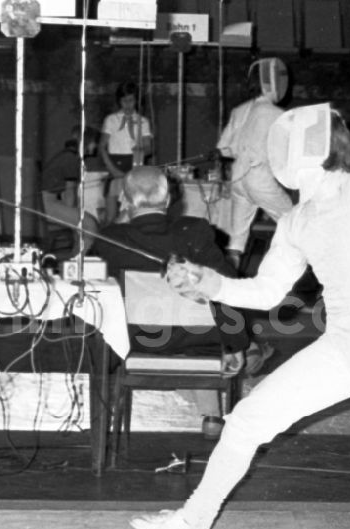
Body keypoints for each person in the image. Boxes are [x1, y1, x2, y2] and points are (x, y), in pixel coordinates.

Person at [130, 103, 350, 529]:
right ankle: (193, 521)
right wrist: (209, 283)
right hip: (342, 347)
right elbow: (265, 292)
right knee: (247, 419)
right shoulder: (296, 220)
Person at [84, 166, 271, 438]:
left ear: (125, 198)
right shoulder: (195, 232)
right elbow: (225, 290)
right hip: (197, 342)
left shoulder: (110, 240)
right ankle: (213, 415)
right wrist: (236, 346)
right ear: (169, 199)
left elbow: (91, 294)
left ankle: (103, 423)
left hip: (135, 343)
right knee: (213, 329)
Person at [214, 58, 294, 268]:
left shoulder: (239, 110)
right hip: (260, 179)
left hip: (237, 181)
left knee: (237, 237)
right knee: (295, 221)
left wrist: (224, 180)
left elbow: (223, 149)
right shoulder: (278, 115)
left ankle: (230, 279)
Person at [40, 125, 103, 253]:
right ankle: (78, 263)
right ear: (87, 142)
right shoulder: (72, 159)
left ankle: (75, 257)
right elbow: (70, 194)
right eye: (94, 142)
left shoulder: (66, 155)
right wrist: (76, 217)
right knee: (90, 225)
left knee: (82, 222)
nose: (95, 146)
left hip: (45, 202)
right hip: (44, 204)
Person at [99, 82, 153, 225]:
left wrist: (141, 150)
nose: (128, 105)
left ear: (136, 100)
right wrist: (112, 170)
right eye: (124, 101)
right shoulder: (111, 120)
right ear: (119, 101)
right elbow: (102, 147)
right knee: (111, 216)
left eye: (131, 100)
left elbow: (148, 147)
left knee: (131, 214)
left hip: (135, 168)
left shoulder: (143, 121)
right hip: (115, 166)